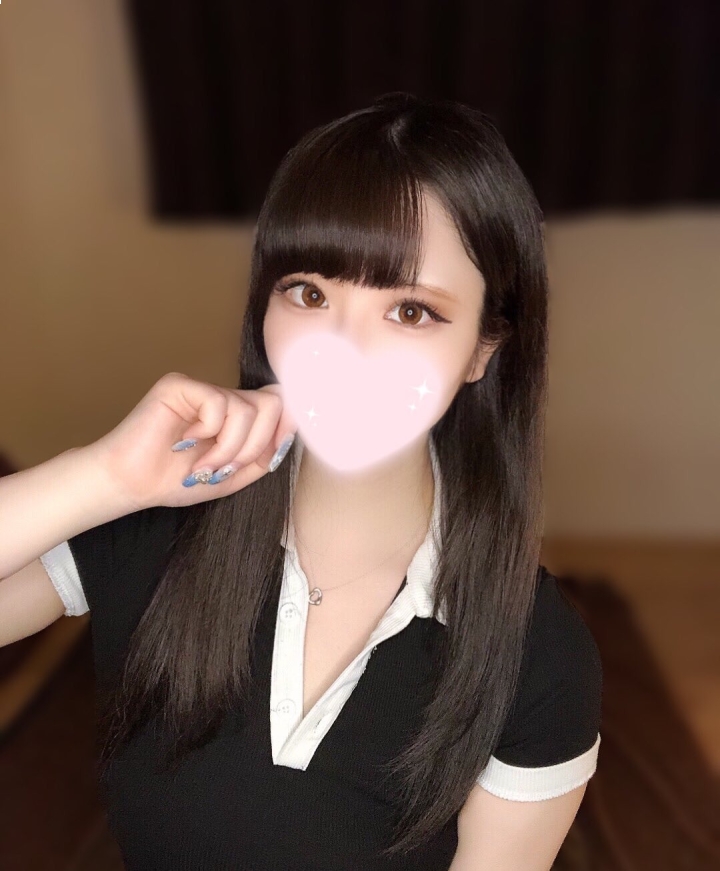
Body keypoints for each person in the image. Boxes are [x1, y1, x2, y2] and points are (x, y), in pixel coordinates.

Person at [0, 92, 602, 870]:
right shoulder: (151, 525)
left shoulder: (539, 655)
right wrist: (105, 475)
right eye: (310, 293)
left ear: (484, 349)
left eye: (411, 311)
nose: (343, 351)